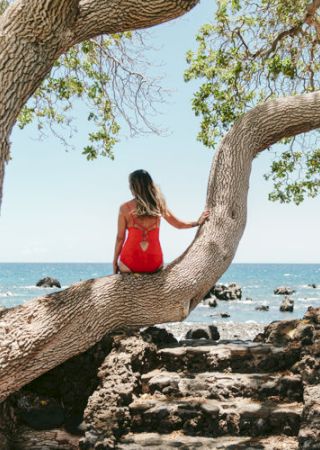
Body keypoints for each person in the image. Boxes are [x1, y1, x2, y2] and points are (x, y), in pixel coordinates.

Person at [113, 169, 210, 274]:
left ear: (133, 187)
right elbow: (178, 224)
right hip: (154, 263)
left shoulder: (124, 208)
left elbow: (120, 238)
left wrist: (114, 261)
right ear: (149, 185)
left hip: (130, 262)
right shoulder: (158, 205)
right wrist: (197, 222)